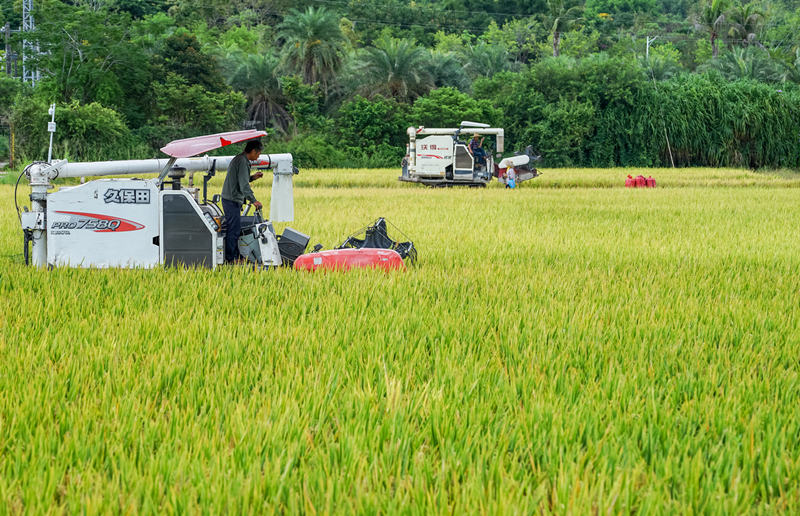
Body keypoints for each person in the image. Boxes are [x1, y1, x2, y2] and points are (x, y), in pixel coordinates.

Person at [221, 139, 264, 263]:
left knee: (235, 228)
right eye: (258, 154)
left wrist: (253, 177)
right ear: (253, 151)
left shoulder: (240, 159)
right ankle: (231, 258)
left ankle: (236, 256)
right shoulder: (243, 161)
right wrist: (254, 200)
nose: (258, 156)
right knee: (233, 229)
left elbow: (241, 180)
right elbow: (244, 185)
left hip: (230, 198)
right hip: (232, 199)